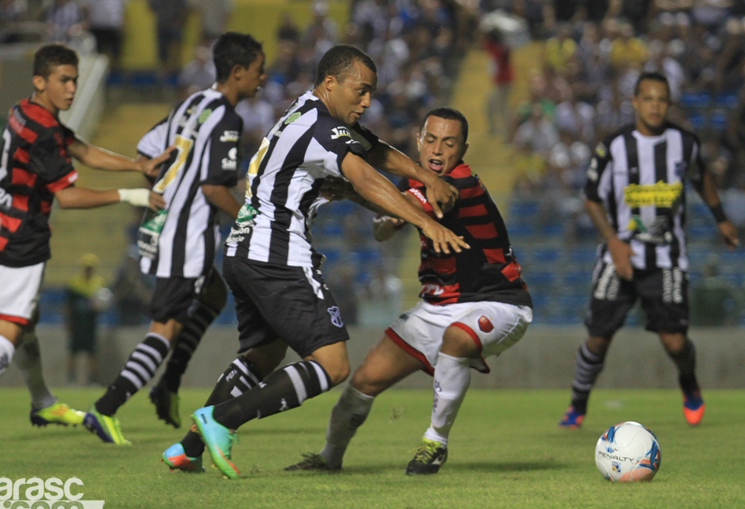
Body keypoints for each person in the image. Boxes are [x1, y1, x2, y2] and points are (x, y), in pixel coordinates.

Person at [161, 44, 466, 478]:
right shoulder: (321, 127)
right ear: (330, 84)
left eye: (371, 94)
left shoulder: (308, 113)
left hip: (244, 252)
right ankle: (221, 420)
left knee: (263, 355)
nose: (366, 102)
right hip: (278, 253)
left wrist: (425, 175)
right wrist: (426, 222)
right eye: (360, 92)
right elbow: (364, 174)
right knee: (333, 364)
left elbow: (374, 149)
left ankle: (188, 449)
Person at [284, 108, 533, 475]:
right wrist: (388, 219)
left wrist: (356, 194)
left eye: (448, 143)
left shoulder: (461, 184)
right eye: (430, 140)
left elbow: (416, 207)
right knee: (364, 381)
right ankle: (329, 457)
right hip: (435, 306)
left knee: (458, 338)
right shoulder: (416, 184)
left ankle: (435, 443)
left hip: (499, 301)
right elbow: (385, 229)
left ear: (463, 148)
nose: (437, 150)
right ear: (418, 141)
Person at [0, 44, 170, 444]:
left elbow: (81, 149)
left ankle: (43, 401)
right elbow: (68, 197)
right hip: (20, 239)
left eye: (74, 80)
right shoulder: (46, 132)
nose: (71, 88)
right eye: (64, 80)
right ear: (40, 81)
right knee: (10, 329)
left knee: (25, 323)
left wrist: (136, 165)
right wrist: (131, 194)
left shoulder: (25, 111)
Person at [83, 32, 266, 445]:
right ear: (237, 73)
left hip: (162, 225)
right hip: (187, 238)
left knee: (213, 294)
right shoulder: (227, 119)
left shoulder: (191, 104)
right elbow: (214, 189)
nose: (263, 77)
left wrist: (168, 183)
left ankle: (168, 382)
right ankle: (107, 407)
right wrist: (251, 218)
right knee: (163, 328)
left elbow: (148, 151)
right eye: (258, 70)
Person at [558, 72, 740, 430]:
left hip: (667, 258)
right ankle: (577, 405)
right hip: (620, 254)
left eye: (662, 99)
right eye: (649, 99)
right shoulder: (612, 146)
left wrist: (720, 218)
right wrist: (613, 241)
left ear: (668, 104)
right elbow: (592, 198)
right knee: (597, 337)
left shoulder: (684, 143)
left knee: (674, 341)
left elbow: (701, 177)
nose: (655, 106)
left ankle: (689, 384)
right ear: (635, 102)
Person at [65, 253, 107, 385]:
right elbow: (68, 306)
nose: (89, 270)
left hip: (90, 324)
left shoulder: (99, 283)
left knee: (91, 353)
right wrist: (68, 322)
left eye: (91, 267)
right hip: (77, 323)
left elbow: (102, 306)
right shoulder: (74, 283)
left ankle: (92, 380)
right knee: (73, 352)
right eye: (87, 267)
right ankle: (71, 380)